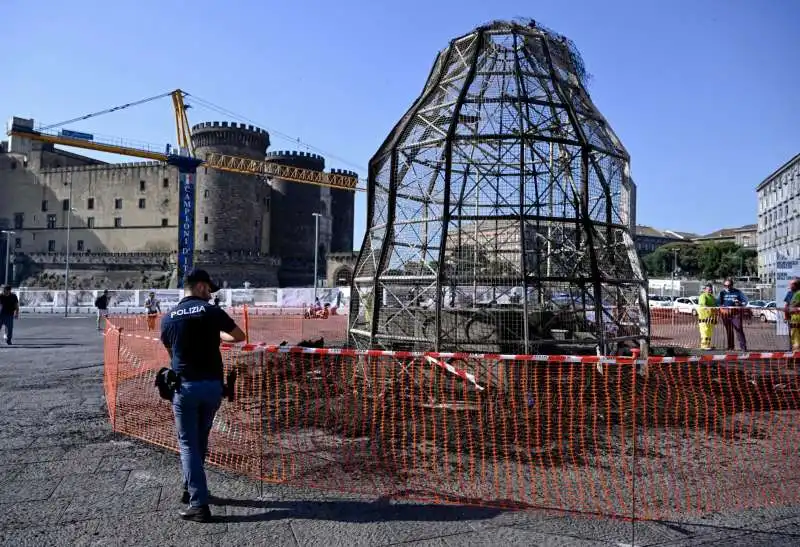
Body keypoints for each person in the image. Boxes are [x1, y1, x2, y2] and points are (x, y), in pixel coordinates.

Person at [160, 269, 245, 522]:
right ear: (199, 287)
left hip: (186, 387)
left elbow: (170, 352)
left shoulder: (168, 318)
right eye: (209, 289)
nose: (210, 294)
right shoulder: (211, 312)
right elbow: (239, 337)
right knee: (200, 439)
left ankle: (198, 502)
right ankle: (190, 488)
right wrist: (215, 334)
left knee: (187, 444)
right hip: (213, 387)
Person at [718, 278, 748, 351]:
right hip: (725, 314)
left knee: (739, 330)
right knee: (729, 330)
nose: (727, 287)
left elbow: (745, 301)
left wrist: (739, 303)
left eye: (729, 285)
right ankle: (730, 347)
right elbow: (718, 303)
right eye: (725, 285)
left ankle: (743, 347)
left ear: (732, 285)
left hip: (736, 314)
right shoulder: (722, 293)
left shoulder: (738, 292)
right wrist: (721, 307)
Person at [697, 283, 717, 350]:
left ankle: (708, 345)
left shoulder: (712, 297)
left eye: (711, 289)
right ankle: (704, 346)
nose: (710, 291)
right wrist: (710, 308)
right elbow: (703, 305)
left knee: (709, 331)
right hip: (703, 317)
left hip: (711, 317)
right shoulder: (703, 296)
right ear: (705, 289)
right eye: (708, 289)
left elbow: (715, 306)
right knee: (704, 331)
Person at [787, 278, 800, 352]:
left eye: (791, 284)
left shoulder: (798, 294)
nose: (789, 286)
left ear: (795, 285)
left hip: (796, 318)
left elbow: (793, 306)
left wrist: (790, 309)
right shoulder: (794, 294)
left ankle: (796, 357)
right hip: (794, 318)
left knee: (796, 339)